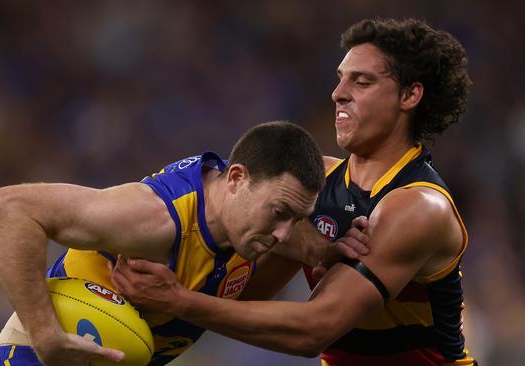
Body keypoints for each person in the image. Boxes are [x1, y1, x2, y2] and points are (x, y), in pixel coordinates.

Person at [112, 18, 476, 366]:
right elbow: (243, 295)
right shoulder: (317, 182)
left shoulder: (419, 207)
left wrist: (178, 299)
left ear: (410, 95)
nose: (338, 94)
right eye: (340, 80)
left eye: (361, 82)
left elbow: (313, 330)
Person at [0, 121, 369, 366]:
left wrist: (319, 248)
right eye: (280, 212)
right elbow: (4, 209)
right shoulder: (152, 219)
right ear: (235, 179)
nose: (285, 234)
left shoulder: (250, 224)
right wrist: (45, 335)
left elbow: (298, 231)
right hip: (37, 359)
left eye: (296, 219)